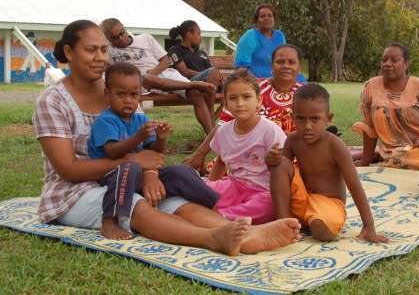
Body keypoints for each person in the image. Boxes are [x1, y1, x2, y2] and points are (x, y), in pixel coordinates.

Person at [33, 19, 301, 256]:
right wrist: (137, 162)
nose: (100, 57)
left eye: (104, 49)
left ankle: (248, 233)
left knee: (174, 200)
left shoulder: (119, 91)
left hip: (129, 177)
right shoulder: (54, 101)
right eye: (91, 50)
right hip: (73, 192)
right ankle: (213, 238)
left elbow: (145, 149)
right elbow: (68, 168)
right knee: (137, 205)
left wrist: (150, 175)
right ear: (69, 52)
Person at [87, 62, 219, 240]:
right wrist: (138, 138)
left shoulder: (140, 119)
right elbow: (112, 151)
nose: (128, 100)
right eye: (121, 94)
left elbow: (154, 154)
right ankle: (110, 221)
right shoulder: (105, 121)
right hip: (113, 175)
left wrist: (161, 139)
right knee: (129, 166)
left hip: (141, 175)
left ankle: (216, 204)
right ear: (107, 94)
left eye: (134, 95)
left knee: (181, 171)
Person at [270, 83, 390, 243]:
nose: (307, 126)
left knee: (321, 229)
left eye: (315, 119)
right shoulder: (292, 140)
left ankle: (310, 223)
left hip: (328, 205)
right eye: (300, 118)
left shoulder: (335, 146)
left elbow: (355, 186)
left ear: (328, 119)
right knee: (280, 164)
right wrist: (272, 162)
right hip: (302, 200)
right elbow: (284, 176)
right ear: (293, 117)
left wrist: (369, 226)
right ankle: (284, 224)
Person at [186, 45, 304, 174]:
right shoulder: (252, 89)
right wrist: (198, 156)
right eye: (280, 62)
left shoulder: (306, 95)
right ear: (271, 65)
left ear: (299, 67)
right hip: (247, 157)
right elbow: (223, 124)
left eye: (291, 62)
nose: (285, 66)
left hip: (293, 158)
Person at [100, 18, 216, 134]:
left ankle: (212, 138)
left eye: (121, 33)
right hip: (142, 83)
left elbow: (166, 60)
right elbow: (104, 71)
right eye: (114, 38)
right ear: (108, 39)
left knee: (195, 93)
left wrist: (154, 72)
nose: (120, 38)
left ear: (124, 28)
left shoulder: (145, 38)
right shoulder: (108, 51)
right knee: (146, 78)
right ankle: (193, 84)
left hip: (163, 75)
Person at [206, 69, 287, 224]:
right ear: (226, 103)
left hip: (263, 191)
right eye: (233, 98)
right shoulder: (223, 131)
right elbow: (220, 162)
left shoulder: (269, 130)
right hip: (235, 186)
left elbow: (284, 167)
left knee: (269, 205)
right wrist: (208, 189)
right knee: (200, 188)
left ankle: (220, 216)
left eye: (247, 97)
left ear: (259, 100)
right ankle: (214, 213)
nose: (240, 104)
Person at [352, 44, 419, 170]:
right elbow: (370, 129)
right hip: (391, 153)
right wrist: (365, 161)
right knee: (397, 158)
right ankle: (381, 156)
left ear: (406, 64)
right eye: (384, 60)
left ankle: (386, 158)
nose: (387, 64)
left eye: (394, 60)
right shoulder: (370, 87)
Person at [168, 20, 223, 126]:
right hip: (189, 85)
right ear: (189, 34)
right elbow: (184, 72)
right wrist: (208, 75)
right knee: (212, 73)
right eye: (198, 33)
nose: (200, 37)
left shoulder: (201, 52)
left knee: (233, 89)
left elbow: (212, 71)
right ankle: (211, 119)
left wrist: (218, 78)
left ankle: (211, 123)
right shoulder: (175, 50)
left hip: (209, 84)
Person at [234, 4, 305, 82]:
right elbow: (241, 69)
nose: (266, 18)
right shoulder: (250, 36)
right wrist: (259, 83)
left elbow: (286, 59)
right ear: (256, 20)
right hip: (256, 82)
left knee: (304, 85)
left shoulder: (279, 36)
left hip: (280, 79)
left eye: (270, 15)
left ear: (274, 19)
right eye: (262, 16)